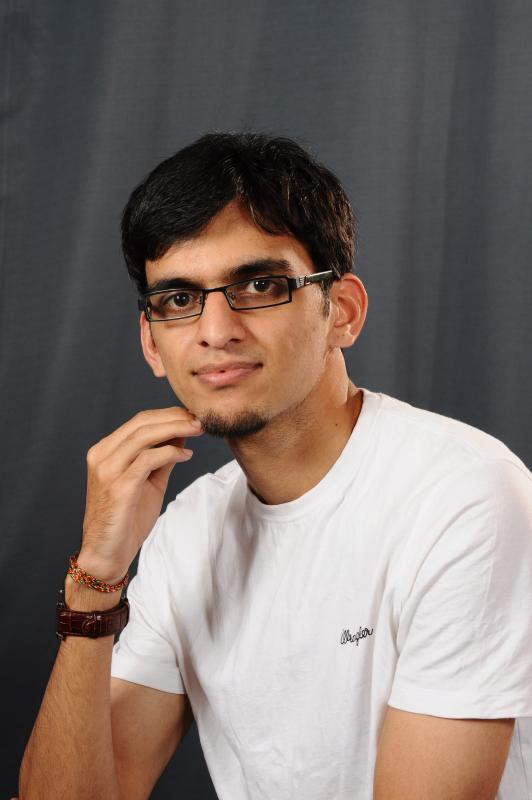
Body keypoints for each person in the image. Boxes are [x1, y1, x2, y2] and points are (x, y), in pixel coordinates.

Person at [18, 132, 532, 800]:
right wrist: (96, 579)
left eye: (260, 285)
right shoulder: (190, 529)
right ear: (152, 344)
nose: (215, 331)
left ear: (341, 312)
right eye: (179, 299)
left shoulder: (465, 496)